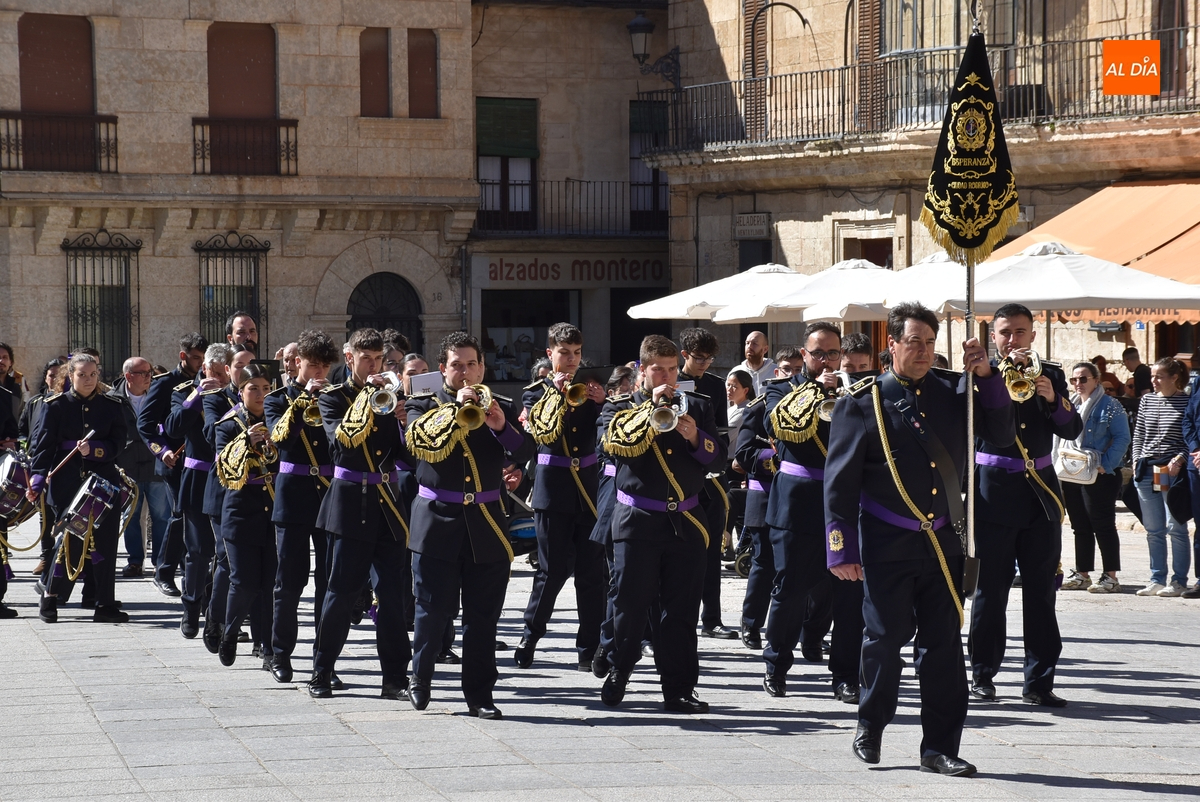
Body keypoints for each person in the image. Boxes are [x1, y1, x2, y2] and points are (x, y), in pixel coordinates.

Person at [826, 302, 1013, 776]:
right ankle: (870, 722)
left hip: (944, 542)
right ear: (891, 345)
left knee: (943, 646)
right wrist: (840, 547)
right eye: (914, 342)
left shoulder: (958, 392)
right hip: (887, 541)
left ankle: (940, 747)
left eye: (931, 343)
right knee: (885, 640)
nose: (925, 351)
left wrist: (987, 374)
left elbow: (1003, 434)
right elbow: (840, 482)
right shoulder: (861, 402)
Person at [406, 331, 533, 718]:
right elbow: (418, 443)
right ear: (443, 368)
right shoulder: (421, 405)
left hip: (486, 524)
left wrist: (500, 427)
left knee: (483, 616)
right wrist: (453, 411)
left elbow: (526, 450)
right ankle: (420, 677)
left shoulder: (502, 405)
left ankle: (479, 694)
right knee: (433, 609)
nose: (465, 372)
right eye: (456, 365)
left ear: (482, 366)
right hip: (437, 522)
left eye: (472, 364)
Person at [598, 334, 725, 714]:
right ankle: (620, 668)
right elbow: (609, 445)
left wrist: (694, 436)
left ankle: (679, 689)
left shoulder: (698, 406)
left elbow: (718, 458)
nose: (668, 378)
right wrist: (648, 414)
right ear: (642, 370)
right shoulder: (619, 408)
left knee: (681, 611)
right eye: (659, 370)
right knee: (631, 605)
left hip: (685, 519)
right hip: (637, 520)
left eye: (673, 370)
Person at [970, 303, 1081, 708]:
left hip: (1040, 496)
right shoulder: (978, 377)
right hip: (993, 494)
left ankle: (1039, 681)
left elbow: (1071, 428)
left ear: (1033, 335)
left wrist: (1055, 400)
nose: (1012, 340)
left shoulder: (1048, 373)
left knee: (1041, 593)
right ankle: (983, 675)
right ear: (992, 336)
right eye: (1004, 332)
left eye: (1020, 332)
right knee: (990, 591)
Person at [758, 322, 863, 704]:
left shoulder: (856, 391)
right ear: (803, 355)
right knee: (790, 591)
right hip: (797, 504)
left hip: (844, 506)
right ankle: (776, 664)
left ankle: (845, 675)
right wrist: (817, 390)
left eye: (832, 353)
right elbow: (775, 425)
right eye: (817, 353)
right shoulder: (780, 389)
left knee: (849, 595)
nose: (825, 360)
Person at [308, 328, 414, 700]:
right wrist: (371, 400)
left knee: (391, 594)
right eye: (365, 358)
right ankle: (321, 671)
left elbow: (408, 457)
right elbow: (341, 446)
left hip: (387, 502)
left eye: (378, 359)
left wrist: (403, 423)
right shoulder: (333, 398)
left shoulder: (392, 398)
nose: (373, 366)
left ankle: (395, 678)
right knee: (340, 591)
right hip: (350, 502)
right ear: (349, 358)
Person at [515, 323, 608, 671]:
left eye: (576, 353)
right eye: (564, 352)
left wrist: (602, 404)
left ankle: (589, 647)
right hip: (553, 490)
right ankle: (530, 636)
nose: (571, 360)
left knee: (590, 573)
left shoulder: (590, 390)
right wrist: (555, 395)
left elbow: (604, 433)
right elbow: (540, 434)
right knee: (551, 571)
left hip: (587, 489)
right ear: (549, 353)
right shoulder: (534, 393)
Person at [27, 353, 129, 624]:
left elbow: (119, 442)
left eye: (93, 374)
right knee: (67, 542)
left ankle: (104, 603)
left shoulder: (111, 404)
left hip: (103, 481)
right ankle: (50, 596)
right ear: (70, 375)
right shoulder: (55, 405)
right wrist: (37, 479)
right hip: (67, 482)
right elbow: (42, 446)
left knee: (105, 542)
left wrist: (96, 449)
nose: (88, 379)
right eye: (82, 374)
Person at [263, 330, 339, 682]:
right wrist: (303, 401)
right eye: (312, 366)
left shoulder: (337, 399)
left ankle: (324, 663)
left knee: (329, 584)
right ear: (296, 364)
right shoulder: (277, 399)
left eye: (325, 367)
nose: (319, 374)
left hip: (328, 497)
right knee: (289, 582)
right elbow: (279, 439)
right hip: (292, 495)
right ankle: (279, 653)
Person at [732, 347, 802, 651]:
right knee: (763, 563)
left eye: (798, 369)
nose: (793, 376)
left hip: (799, 498)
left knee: (799, 567)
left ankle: (798, 628)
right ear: (776, 373)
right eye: (787, 369)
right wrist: (775, 457)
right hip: (765, 494)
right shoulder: (761, 407)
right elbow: (743, 454)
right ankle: (751, 623)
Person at [212, 363, 279, 667]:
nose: (261, 394)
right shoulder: (228, 425)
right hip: (240, 511)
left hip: (273, 510)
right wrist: (244, 443)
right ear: (240, 392)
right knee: (244, 581)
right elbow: (221, 467)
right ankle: (230, 632)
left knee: (269, 583)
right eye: (254, 388)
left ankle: (267, 646)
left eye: (267, 388)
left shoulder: (278, 419)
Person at [164, 343, 231, 639]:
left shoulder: (235, 393)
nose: (216, 378)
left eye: (222, 373)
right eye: (211, 371)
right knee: (198, 550)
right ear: (203, 368)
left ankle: (221, 612)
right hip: (197, 475)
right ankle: (191, 608)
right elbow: (173, 427)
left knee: (226, 552)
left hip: (229, 478)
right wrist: (195, 397)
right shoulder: (183, 390)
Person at [137, 333, 208, 597]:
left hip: (202, 460)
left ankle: (193, 570)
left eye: (204, 358)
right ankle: (164, 572)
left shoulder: (212, 382)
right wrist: (162, 451)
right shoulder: (166, 383)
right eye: (196, 358)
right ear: (183, 356)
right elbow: (145, 425)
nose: (201, 364)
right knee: (180, 514)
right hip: (175, 462)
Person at [678, 327, 735, 639]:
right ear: (685, 354)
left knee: (711, 551)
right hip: (677, 477)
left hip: (709, 475)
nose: (705, 364)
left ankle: (711, 617)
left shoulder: (714, 385)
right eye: (699, 358)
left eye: (710, 359)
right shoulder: (671, 383)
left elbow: (721, 434)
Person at [1059, 362, 1130, 594]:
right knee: (1079, 525)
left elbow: (1122, 438)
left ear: (1096, 380)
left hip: (1101, 474)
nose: (1078, 384)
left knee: (1103, 525)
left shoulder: (1111, 406)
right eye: (1074, 380)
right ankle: (1082, 573)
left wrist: (1104, 465)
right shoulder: (1069, 405)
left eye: (1083, 379)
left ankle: (1110, 577)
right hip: (1073, 472)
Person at [1131, 357, 1191, 597]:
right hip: (1146, 468)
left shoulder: (1186, 402)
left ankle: (1178, 581)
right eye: (1152, 376)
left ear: (1174, 378)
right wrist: (1136, 459)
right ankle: (1156, 578)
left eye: (1159, 376)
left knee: (1175, 526)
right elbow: (1139, 433)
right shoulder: (1146, 400)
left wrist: (1180, 458)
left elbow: (1191, 436)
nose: (1153, 381)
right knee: (1153, 529)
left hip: (1168, 469)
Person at [110, 357, 170, 579]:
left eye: (150, 373)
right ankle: (135, 561)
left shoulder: (159, 395)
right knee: (131, 516)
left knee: (162, 516)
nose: (148, 377)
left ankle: (161, 562)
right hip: (128, 468)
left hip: (156, 464)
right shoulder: (113, 400)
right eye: (143, 373)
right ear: (128, 376)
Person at [20, 358, 67, 576]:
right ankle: (46, 557)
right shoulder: (34, 403)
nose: (55, 379)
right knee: (45, 515)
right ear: (46, 378)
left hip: (61, 466)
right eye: (51, 375)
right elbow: (22, 431)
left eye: (60, 375)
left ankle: (67, 557)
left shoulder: (67, 403)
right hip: (38, 466)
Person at [726, 369, 754, 447]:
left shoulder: (744, 411)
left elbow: (726, 436)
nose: (729, 389)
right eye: (728, 385)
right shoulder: (732, 408)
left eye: (734, 386)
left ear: (745, 390)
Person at [0, 341, 27, 421]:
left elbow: (19, 416)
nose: (1, 361)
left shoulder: (16, 389)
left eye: (5, 357)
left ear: (10, 362)